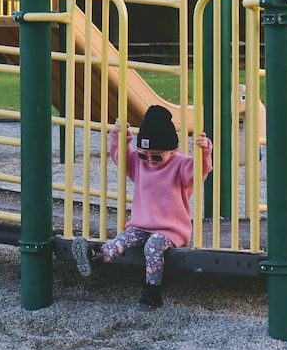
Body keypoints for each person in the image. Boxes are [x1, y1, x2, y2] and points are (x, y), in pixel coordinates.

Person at [72, 104, 213, 309]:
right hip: (141, 225)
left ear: (171, 151)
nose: (149, 160)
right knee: (122, 239)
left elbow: (199, 171)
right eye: (143, 154)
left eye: (156, 156)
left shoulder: (180, 165)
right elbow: (121, 156)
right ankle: (95, 256)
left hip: (170, 230)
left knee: (152, 247)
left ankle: (152, 293)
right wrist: (120, 136)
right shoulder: (140, 164)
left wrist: (204, 151)